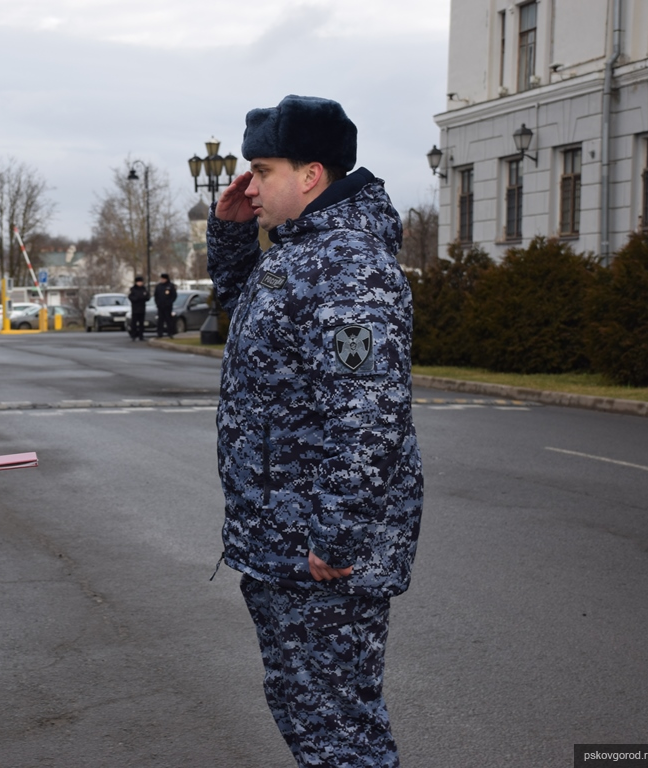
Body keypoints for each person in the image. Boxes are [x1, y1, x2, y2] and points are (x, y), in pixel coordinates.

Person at [207, 95, 423, 767]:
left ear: (311, 176)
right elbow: (250, 312)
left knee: (339, 733)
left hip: (320, 558)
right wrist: (232, 232)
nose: (250, 186)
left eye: (263, 171)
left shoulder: (349, 266)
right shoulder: (305, 252)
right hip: (287, 544)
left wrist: (336, 537)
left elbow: (367, 415)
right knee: (316, 717)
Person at [153, 272, 177, 338]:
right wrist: (157, 303)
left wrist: (169, 302)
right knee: (160, 321)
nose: (162, 280)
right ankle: (159, 334)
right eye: (161, 279)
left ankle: (170, 333)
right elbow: (156, 296)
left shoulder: (170, 286)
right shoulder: (158, 286)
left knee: (169, 320)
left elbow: (174, 296)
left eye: (163, 279)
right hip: (160, 307)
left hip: (168, 307)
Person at [126, 276, 149, 341]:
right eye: (139, 282)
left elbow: (147, 297)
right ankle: (134, 335)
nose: (140, 283)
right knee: (134, 323)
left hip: (142, 308)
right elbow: (130, 297)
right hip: (135, 309)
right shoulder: (133, 289)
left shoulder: (144, 289)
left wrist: (144, 297)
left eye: (141, 282)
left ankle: (141, 336)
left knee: (141, 323)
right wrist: (137, 298)